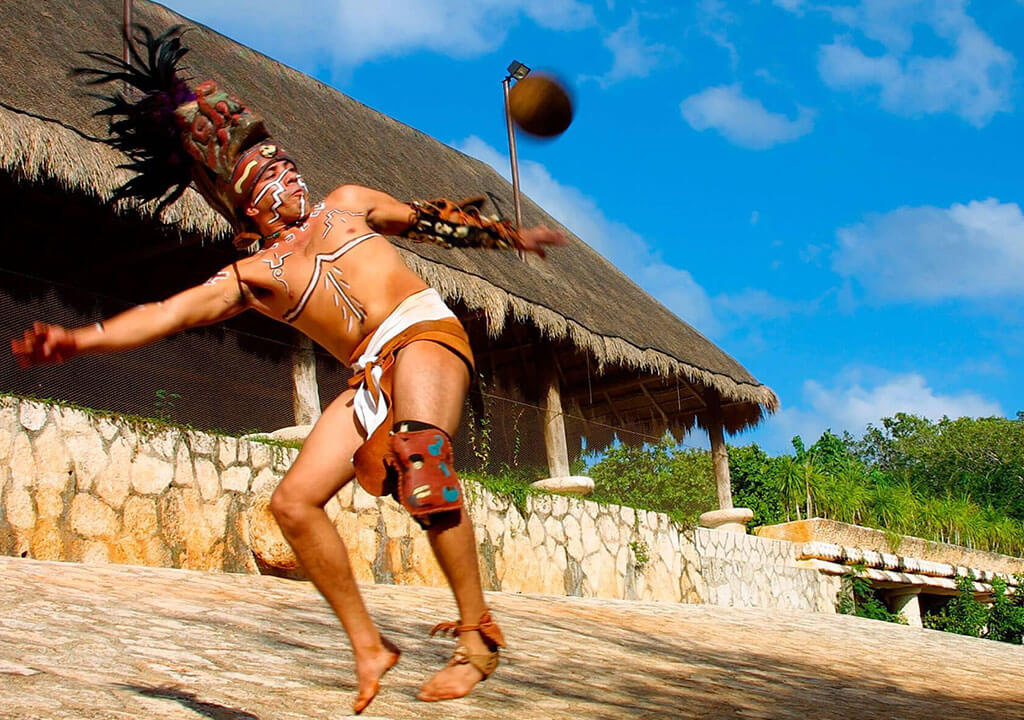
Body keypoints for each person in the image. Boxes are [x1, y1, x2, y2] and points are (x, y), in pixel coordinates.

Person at [11, 25, 565, 714]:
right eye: (269, 174)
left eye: (284, 164)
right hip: (368, 373)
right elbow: (165, 314)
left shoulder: (348, 203)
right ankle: (369, 646)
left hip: (423, 331)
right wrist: (79, 338)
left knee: (422, 460)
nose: (287, 176)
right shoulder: (253, 275)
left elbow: (432, 221)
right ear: (245, 201)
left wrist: (512, 236)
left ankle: (477, 638)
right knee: (294, 504)